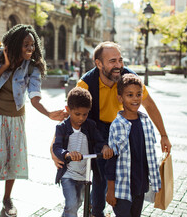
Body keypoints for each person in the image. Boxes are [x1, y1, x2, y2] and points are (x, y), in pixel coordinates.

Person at [51, 41, 171, 217]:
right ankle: (96, 212)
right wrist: (54, 147)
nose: (118, 65)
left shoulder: (129, 78)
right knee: (100, 177)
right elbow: (70, 117)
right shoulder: (86, 83)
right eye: (112, 61)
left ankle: (127, 205)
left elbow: (150, 105)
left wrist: (164, 135)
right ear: (99, 64)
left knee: (127, 171)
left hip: (122, 129)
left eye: (120, 60)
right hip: (96, 130)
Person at [0, 24, 66, 216]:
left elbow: (35, 97)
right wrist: (6, 66)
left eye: (32, 45)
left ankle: (7, 199)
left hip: (16, 116)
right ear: (17, 44)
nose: (30, 48)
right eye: (26, 44)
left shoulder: (32, 67)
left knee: (13, 158)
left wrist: (49, 113)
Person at [105, 74, 161, 217]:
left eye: (138, 94)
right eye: (130, 95)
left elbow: (151, 154)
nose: (135, 99)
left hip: (140, 185)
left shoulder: (146, 122)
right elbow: (111, 160)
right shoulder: (116, 126)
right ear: (120, 98)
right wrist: (110, 190)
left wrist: (156, 180)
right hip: (122, 188)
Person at [53, 87, 113, 217]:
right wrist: (67, 154)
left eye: (85, 114)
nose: (81, 118)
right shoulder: (62, 127)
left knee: (78, 203)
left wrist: (104, 147)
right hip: (68, 174)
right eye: (77, 114)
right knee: (72, 203)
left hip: (83, 175)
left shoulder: (90, 126)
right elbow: (56, 147)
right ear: (68, 109)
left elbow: (99, 140)